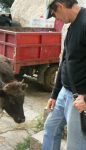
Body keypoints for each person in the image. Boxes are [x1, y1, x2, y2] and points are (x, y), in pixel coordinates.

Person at [42, 0, 86, 150]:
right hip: (63, 93)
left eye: (54, 15)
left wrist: (85, 97)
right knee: (50, 129)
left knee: (75, 145)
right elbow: (64, 62)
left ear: (60, 6)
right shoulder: (71, 26)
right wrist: (54, 95)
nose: (56, 19)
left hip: (78, 98)